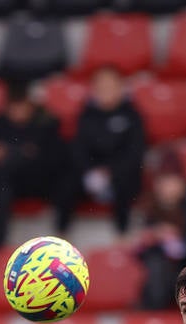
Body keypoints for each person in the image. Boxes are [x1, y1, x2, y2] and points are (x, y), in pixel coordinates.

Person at [57, 65, 146, 237]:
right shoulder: (86, 114)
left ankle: (122, 235)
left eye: (110, 86)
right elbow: (78, 148)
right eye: (101, 86)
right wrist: (90, 171)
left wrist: (110, 172)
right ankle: (61, 234)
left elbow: (135, 152)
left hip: (120, 173)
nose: (105, 91)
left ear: (121, 87)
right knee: (66, 182)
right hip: (90, 173)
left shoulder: (132, 115)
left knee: (126, 182)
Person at [0, 81, 65, 253]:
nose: (18, 112)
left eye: (22, 106)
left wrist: (12, 152)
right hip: (9, 185)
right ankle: (0, 248)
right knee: (0, 182)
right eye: (13, 107)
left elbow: (51, 159)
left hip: (39, 183)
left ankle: (60, 237)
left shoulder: (45, 125)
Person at [133, 150, 186, 312]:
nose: (165, 188)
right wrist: (153, 238)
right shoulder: (151, 208)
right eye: (161, 182)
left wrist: (178, 243)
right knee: (156, 265)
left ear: (182, 182)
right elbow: (142, 255)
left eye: (170, 181)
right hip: (162, 280)